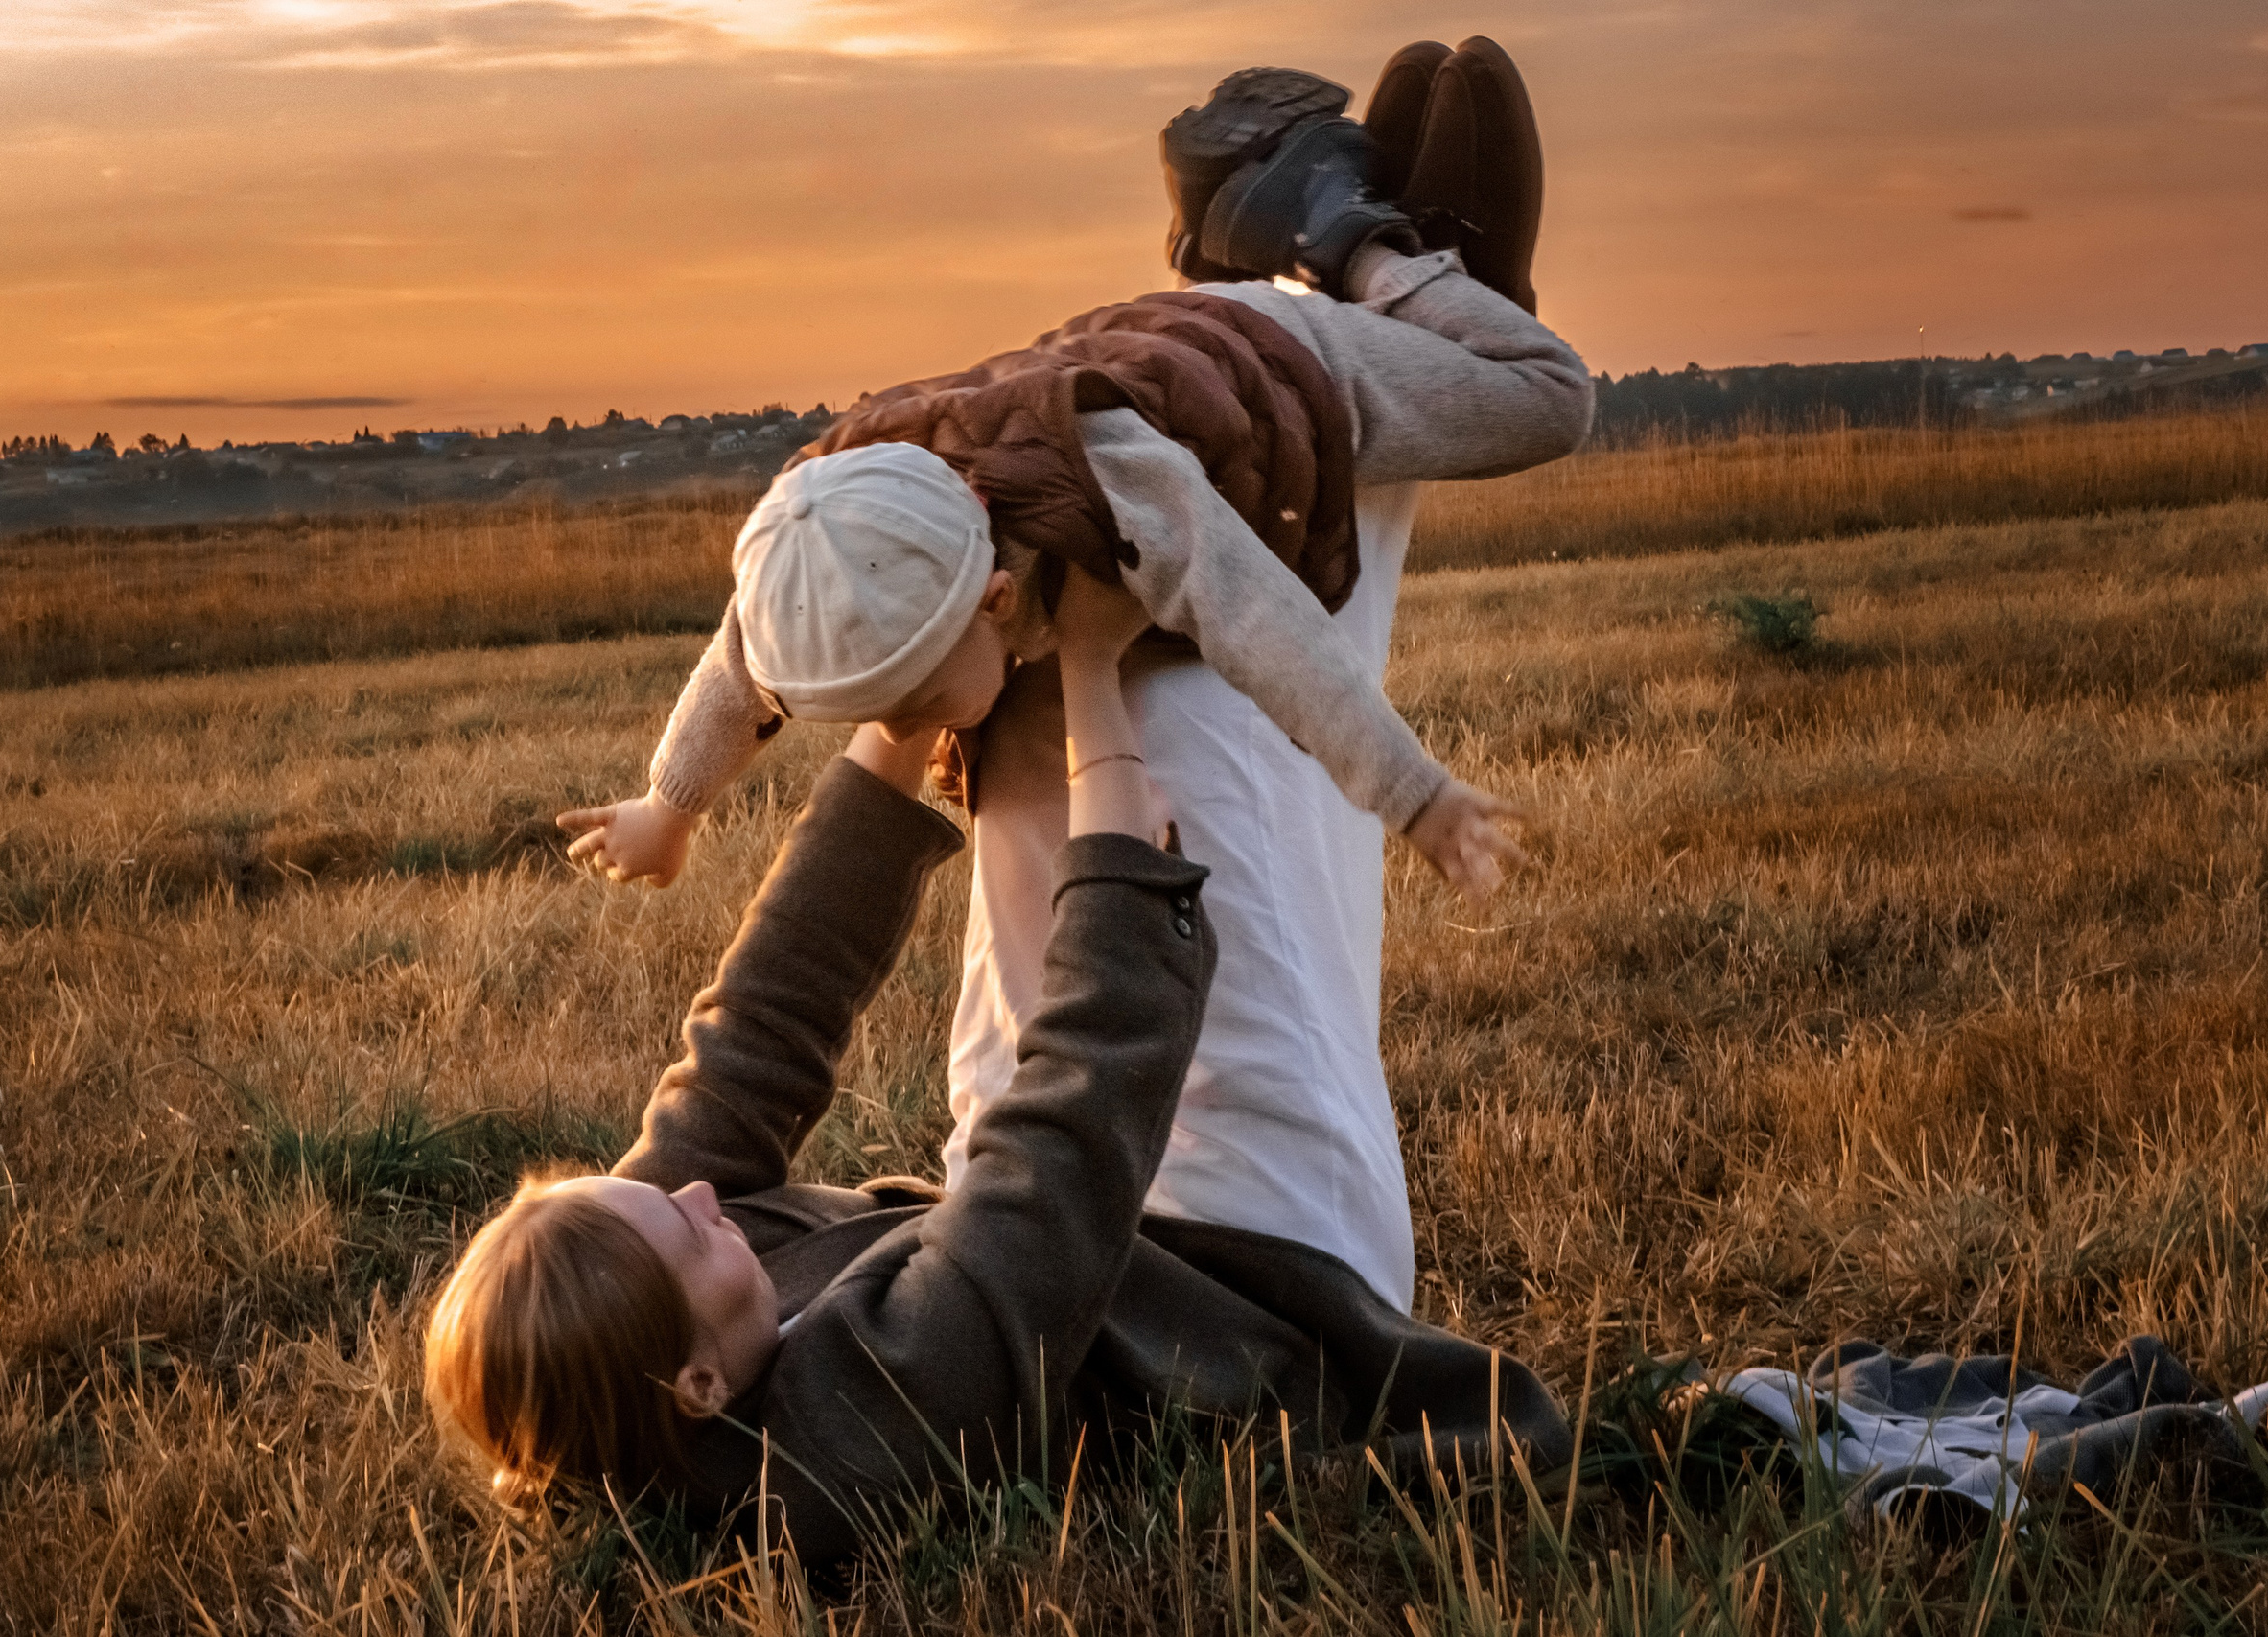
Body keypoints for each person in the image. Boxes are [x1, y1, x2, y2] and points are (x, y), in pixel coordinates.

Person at [560, 39, 1588, 1311]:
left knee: (1534, 398)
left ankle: (1354, 249)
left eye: (918, 705)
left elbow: (1270, 628)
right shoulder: (840, 524)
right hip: (1158, 395)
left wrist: (1417, 793)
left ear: (995, 592)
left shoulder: (1057, 504)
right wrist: (673, 802)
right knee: (1148, 726)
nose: (910, 743)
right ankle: (1324, 244)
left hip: (1236, 374)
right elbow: (744, 662)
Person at [428, 570, 1569, 1561]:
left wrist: (907, 707)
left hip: (1057, 1230)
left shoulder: (649, 1322)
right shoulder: (861, 1432)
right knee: (1188, 725)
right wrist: (1091, 671)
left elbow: (761, 1028)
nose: (690, 1195)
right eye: (681, 1226)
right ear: (700, 1391)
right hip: (1237, 1271)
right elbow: (1071, 1126)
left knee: (1006, 714)